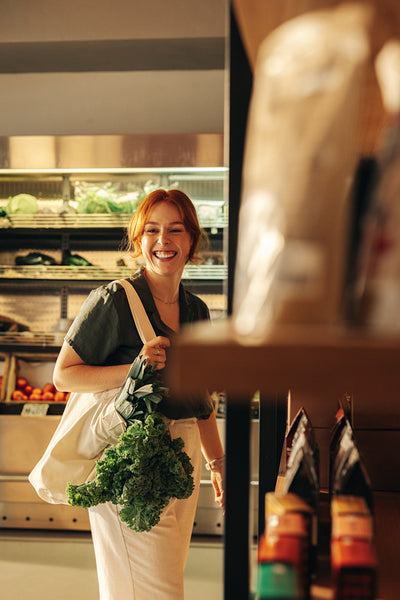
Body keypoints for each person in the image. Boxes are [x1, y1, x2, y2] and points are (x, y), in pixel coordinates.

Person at [53, 188, 225, 600]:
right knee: (156, 590)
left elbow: (199, 396)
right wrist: (134, 369)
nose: (163, 241)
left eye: (175, 230)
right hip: (130, 459)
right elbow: (64, 375)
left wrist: (217, 460)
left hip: (181, 460)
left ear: (192, 242)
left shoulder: (197, 310)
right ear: (138, 239)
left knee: (149, 585)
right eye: (152, 230)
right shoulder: (114, 301)